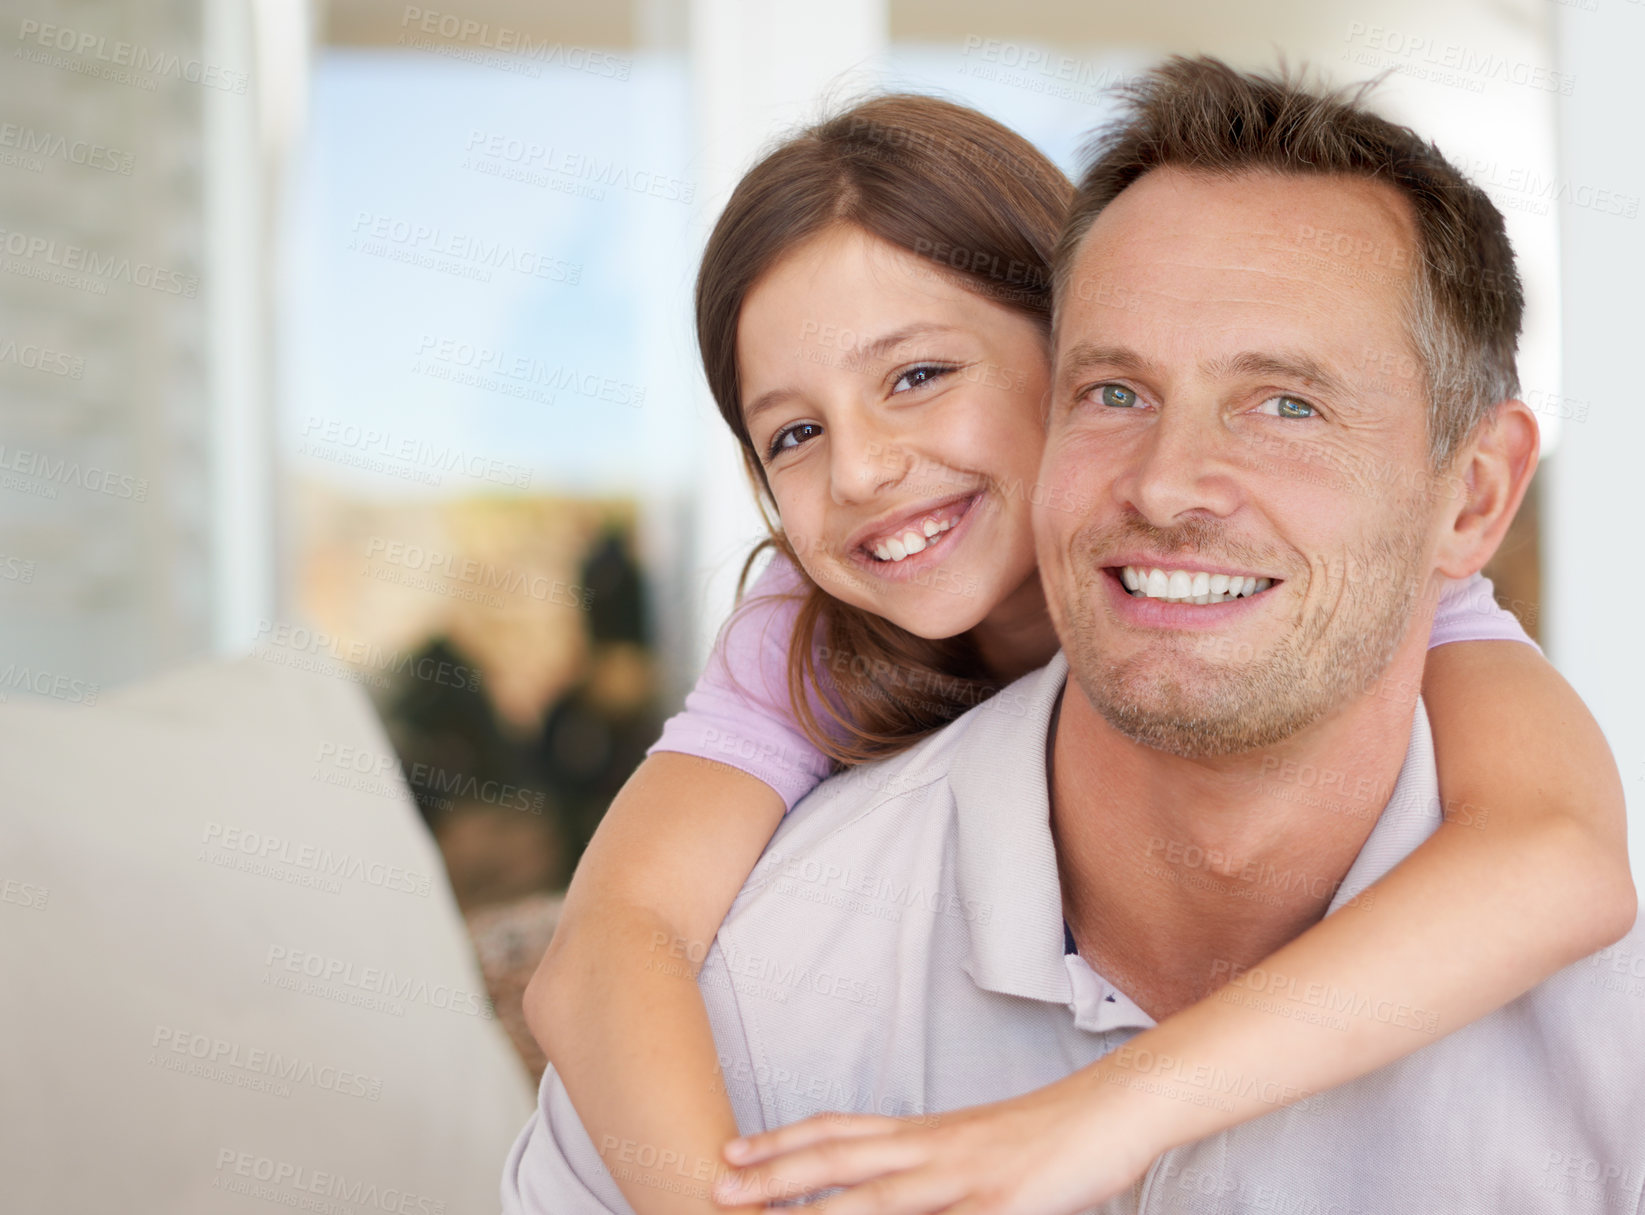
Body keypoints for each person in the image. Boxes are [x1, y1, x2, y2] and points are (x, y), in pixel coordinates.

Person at [508, 67, 1637, 1215]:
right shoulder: (802, 643)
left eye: (918, 376)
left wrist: (1098, 1118)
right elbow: (613, 938)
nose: (858, 470)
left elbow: (1556, 857)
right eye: (792, 434)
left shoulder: (1395, 591)